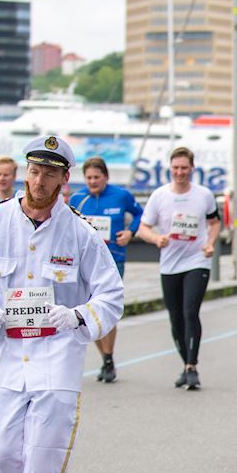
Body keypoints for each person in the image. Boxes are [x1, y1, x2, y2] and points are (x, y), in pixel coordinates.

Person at [0, 135, 124, 473]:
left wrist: (75, 318)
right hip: (4, 352)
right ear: (25, 172)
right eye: (34, 171)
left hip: (56, 354)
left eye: (50, 173)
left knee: (46, 451)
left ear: (64, 179)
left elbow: (111, 296)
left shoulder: (80, 233)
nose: (39, 180)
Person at [139, 147, 221, 391]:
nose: (180, 172)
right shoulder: (159, 196)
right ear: (170, 168)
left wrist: (210, 243)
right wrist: (156, 239)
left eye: (184, 168)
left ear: (192, 169)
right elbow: (142, 228)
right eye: (176, 168)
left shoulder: (204, 194)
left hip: (197, 261)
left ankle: (191, 367)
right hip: (170, 264)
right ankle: (185, 362)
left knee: (189, 311)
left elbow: (214, 223)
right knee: (175, 319)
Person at [68, 157, 143, 383]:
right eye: (89, 178)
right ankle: (106, 358)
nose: (92, 182)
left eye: (97, 177)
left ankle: (109, 357)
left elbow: (140, 214)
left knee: (106, 308)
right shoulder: (77, 199)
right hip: (85, 264)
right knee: (89, 311)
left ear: (106, 177)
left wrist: (130, 232)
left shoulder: (121, 195)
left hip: (114, 259)